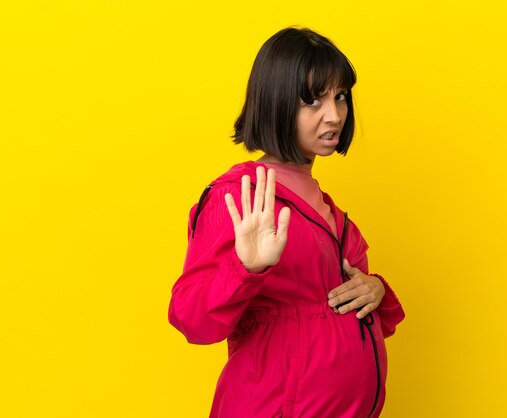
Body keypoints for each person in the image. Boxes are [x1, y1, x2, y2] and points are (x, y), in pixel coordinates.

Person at [168, 27, 405, 418]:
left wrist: (375, 289)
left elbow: (344, 319)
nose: (335, 115)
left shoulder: (333, 214)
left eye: (341, 96)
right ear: (276, 103)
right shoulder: (242, 198)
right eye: (313, 101)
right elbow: (191, 319)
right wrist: (245, 269)